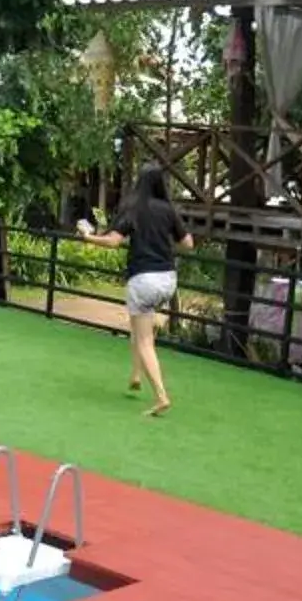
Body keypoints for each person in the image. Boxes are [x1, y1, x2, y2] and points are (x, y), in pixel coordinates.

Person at [99, 165, 193, 417]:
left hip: (143, 280)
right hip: (167, 281)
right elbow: (188, 243)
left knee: (144, 340)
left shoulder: (134, 209)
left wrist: (88, 237)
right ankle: (136, 375)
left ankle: (161, 396)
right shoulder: (168, 210)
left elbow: (113, 241)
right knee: (140, 325)